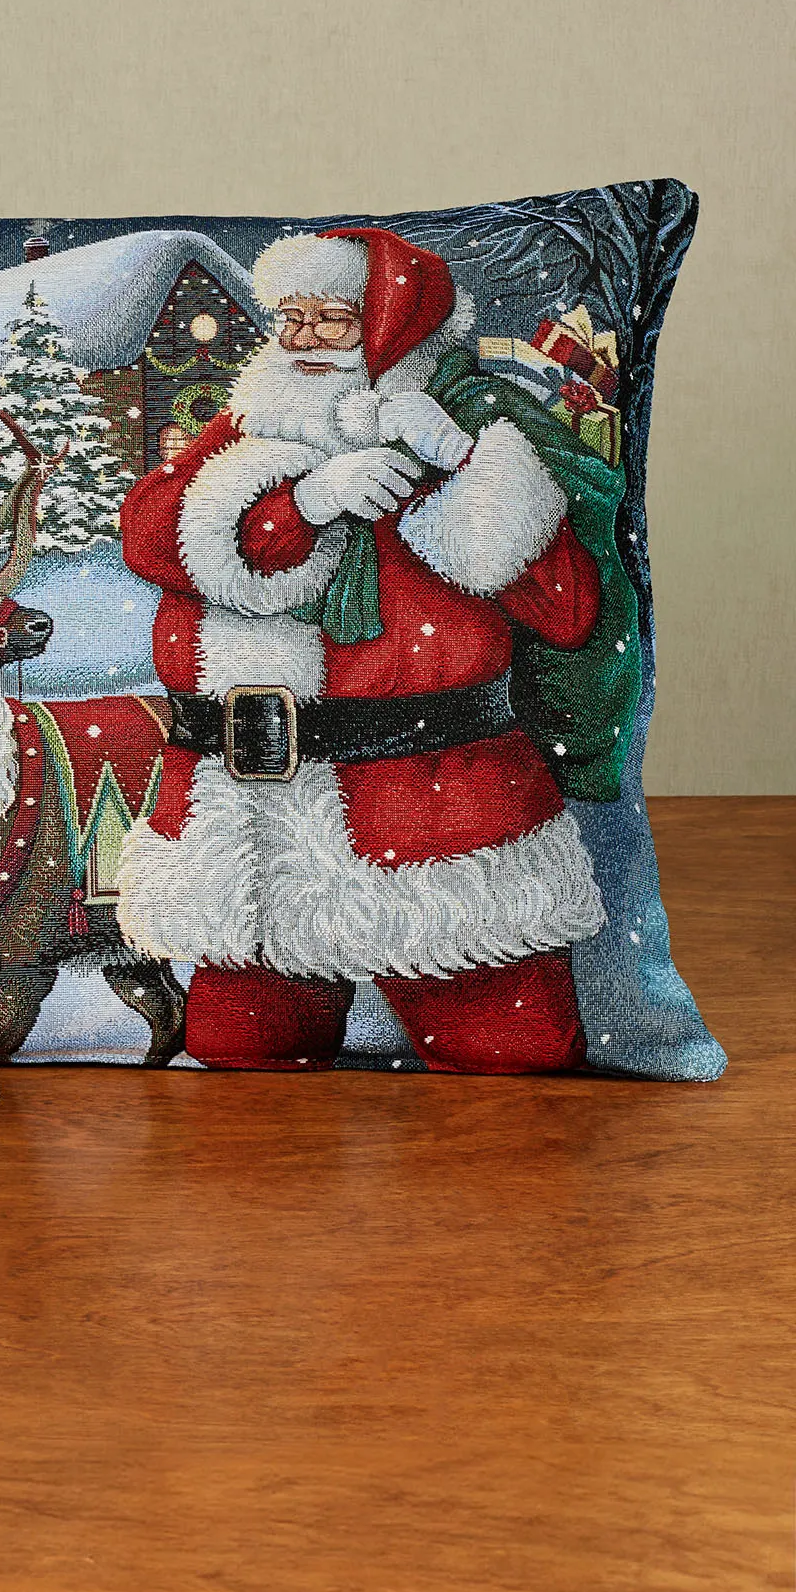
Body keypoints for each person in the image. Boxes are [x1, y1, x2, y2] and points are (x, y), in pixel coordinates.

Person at [114, 227, 605, 1072]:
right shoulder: (252, 426)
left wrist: (461, 466)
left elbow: (568, 611)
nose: (303, 339)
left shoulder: (473, 426)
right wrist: (301, 503)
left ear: (389, 332)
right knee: (239, 1056)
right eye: (289, 318)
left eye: (331, 320)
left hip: (436, 819)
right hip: (253, 832)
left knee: (509, 1058)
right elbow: (152, 533)